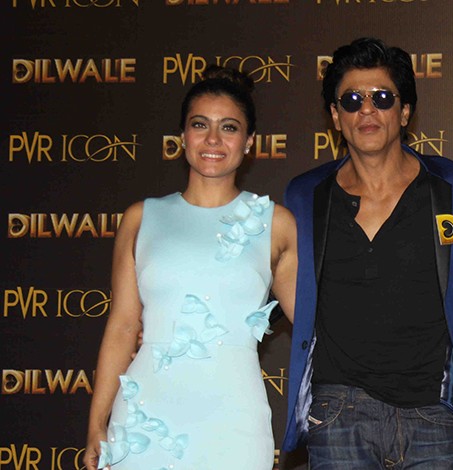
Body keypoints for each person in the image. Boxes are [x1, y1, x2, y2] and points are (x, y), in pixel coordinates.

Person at [282, 38, 453, 469]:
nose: (367, 110)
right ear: (335, 116)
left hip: (433, 411)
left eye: (382, 98)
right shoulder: (304, 196)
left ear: (405, 111)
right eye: (352, 100)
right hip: (337, 412)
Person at [83, 66, 297, 469]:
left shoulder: (276, 223)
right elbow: (123, 327)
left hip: (234, 416)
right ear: (182, 135)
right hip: (145, 415)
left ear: (249, 142)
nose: (213, 139)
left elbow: (311, 322)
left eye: (229, 127)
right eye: (200, 124)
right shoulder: (141, 218)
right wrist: (97, 423)